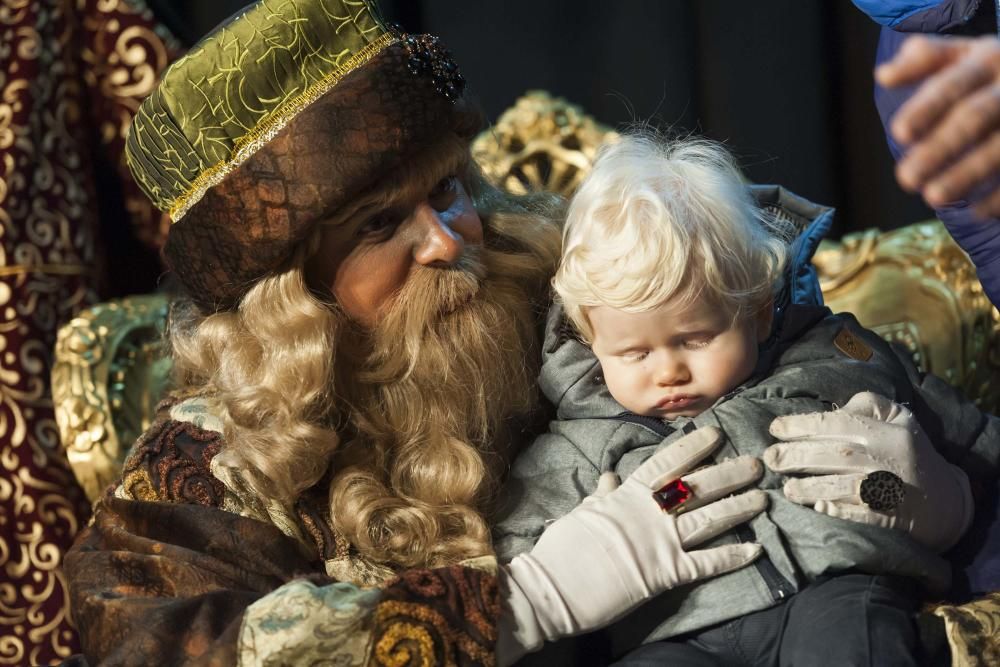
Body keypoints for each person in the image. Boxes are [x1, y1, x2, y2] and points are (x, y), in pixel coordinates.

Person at [61, 1, 984, 665]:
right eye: (381, 226)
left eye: (447, 188)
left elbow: (790, 336)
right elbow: (155, 643)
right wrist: (520, 603)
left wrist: (954, 501)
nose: (447, 237)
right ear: (286, 294)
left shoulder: (556, 280)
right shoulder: (213, 459)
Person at [493, 133, 995, 665]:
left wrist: (956, 497)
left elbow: (972, 437)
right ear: (592, 342)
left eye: (694, 339)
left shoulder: (834, 358)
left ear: (754, 310)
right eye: (634, 353)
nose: (668, 371)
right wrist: (554, 571)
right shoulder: (581, 440)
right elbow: (512, 541)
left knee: (858, 643)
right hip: (672, 630)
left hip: (831, 587)